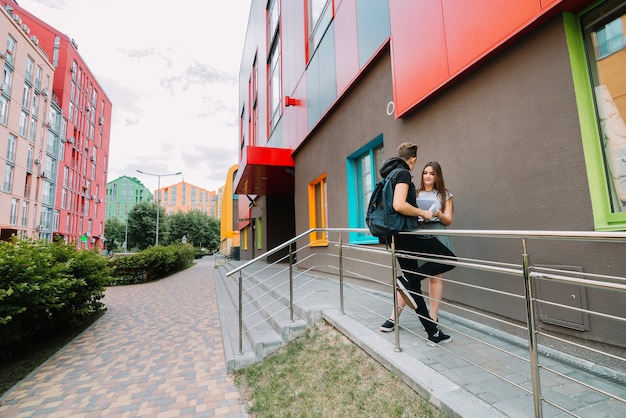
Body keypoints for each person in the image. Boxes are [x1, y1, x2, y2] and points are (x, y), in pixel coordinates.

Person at [378, 143, 456, 346]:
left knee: (413, 286)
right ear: (412, 160)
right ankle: (407, 281)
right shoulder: (403, 174)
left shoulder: (388, 175)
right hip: (407, 233)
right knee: (448, 259)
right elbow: (398, 205)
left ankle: (432, 332)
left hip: (396, 235)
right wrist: (422, 212)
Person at [416, 161, 454, 323]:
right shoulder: (416, 193)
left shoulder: (444, 195)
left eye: (432, 173)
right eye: (425, 172)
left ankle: (433, 316)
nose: (428, 176)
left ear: (437, 175)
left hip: (438, 235)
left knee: (435, 277)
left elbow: (448, 220)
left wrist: (438, 214)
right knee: (411, 275)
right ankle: (394, 316)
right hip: (418, 235)